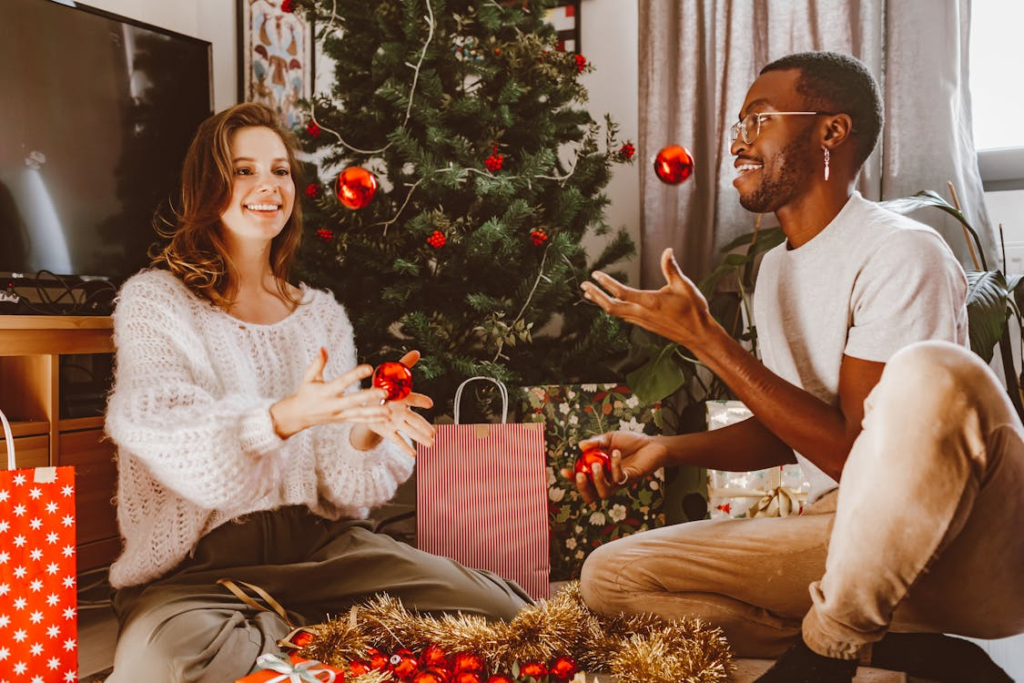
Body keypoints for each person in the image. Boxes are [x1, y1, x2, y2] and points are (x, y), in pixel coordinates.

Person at [573, 51, 1023, 683]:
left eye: (758, 120)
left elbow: (856, 456)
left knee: (931, 374)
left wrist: (708, 340)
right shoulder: (777, 267)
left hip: (925, 535)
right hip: (827, 528)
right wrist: (666, 448)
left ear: (830, 131)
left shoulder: (901, 253)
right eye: (737, 125)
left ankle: (829, 653)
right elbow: (794, 426)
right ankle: (894, 655)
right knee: (610, 577)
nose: (736, 142)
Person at [103, 102, 529, 682]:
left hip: (325, 549)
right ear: (209, 184)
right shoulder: (157, 300)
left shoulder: (320, 315)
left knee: (506, 615)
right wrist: (279, 418)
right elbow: (167, 434)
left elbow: (347, 492)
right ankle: (317, 645)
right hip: (200, 574)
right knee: (172, 665)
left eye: (279, 170)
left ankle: (299, 644)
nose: (267, 185)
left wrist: (361, 428)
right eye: (244, 169)